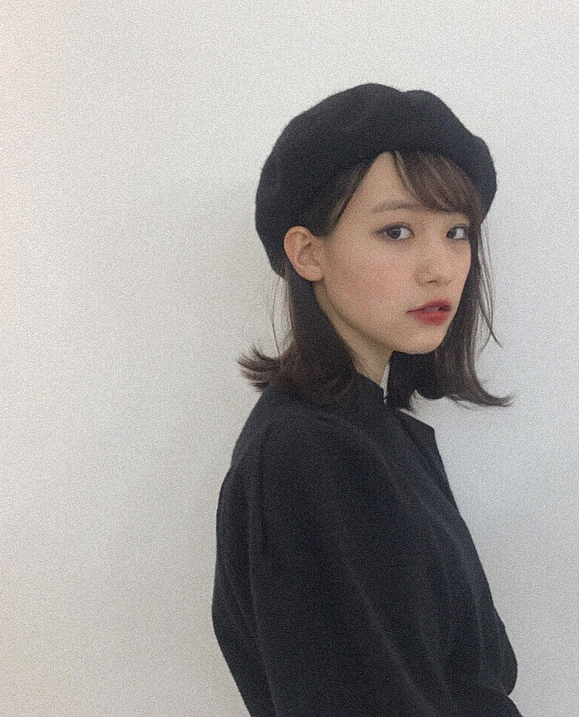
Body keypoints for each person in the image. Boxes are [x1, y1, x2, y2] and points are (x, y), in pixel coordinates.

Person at [211, 83, 522, 716]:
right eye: (397, 231)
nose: (440, 267)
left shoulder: (375, 433)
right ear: (308, 253)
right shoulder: (306, 453)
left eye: (457, 231)